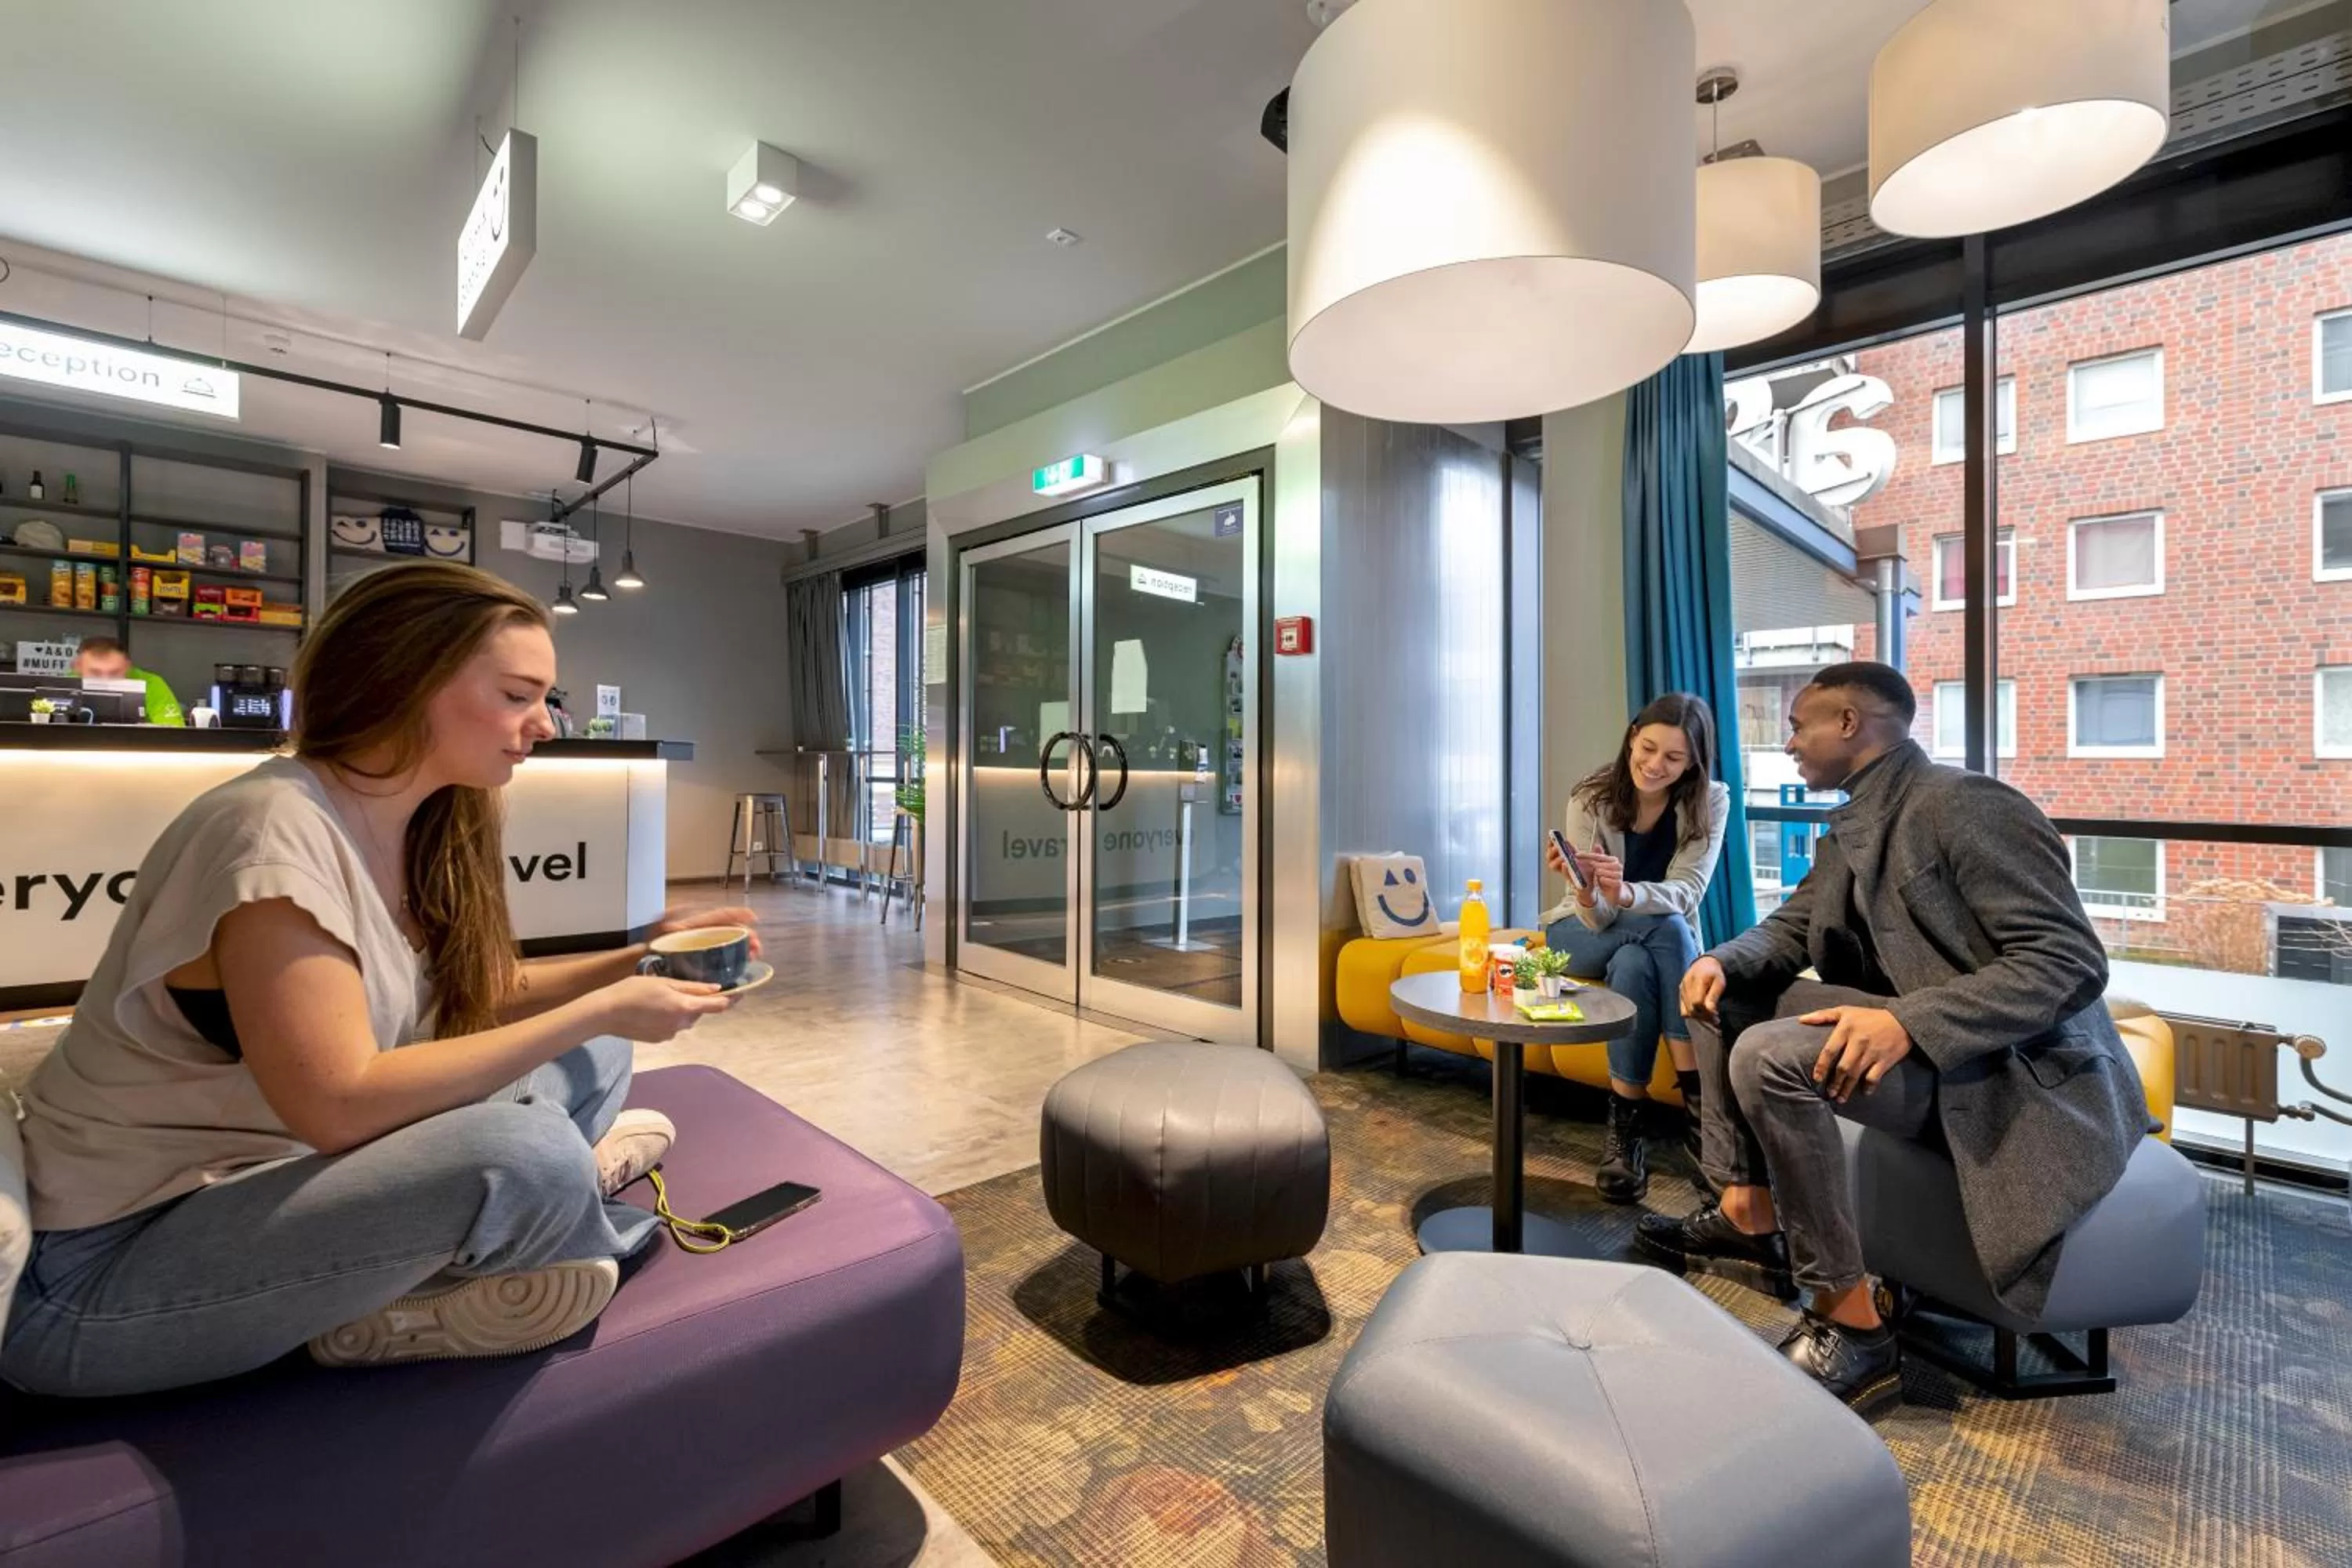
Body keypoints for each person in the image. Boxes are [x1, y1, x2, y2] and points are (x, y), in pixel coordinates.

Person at [5, 562, 756, 1397]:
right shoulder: (270, 834)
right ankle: (518, 1224)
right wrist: (598, 1006)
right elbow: (339, 1103)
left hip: (265, 1177)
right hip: (102, 1274)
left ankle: (521, 1213)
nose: (544, 724)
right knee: (525, 1149)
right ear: (407, 682)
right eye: (517, 695)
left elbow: (474, 989)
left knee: (603, 1048)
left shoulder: (404, 818)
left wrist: (635, 962)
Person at [1635, 662, 2153, 1418]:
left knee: (1769, 1054)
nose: (1789, 745)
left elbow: (2068, 962)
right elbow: (1787, 932)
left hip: (2009, 1068)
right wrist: (1716, 960)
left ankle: (1853, 1328)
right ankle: (1748, 1212)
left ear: (1849, 724)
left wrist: (1909, 1022)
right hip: (1929, 1048)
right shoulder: (1851, 827)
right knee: (1725, 997)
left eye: (1797, 726)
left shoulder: (1965, 804)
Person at [1541, 692, 1729, 1204]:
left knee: (1635, 960)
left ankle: (1625, 1134)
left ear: (1693, 761)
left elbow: (1689, 890)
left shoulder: (1710, 800)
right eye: (1647, 748)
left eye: (1673, 757)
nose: (1654, 765)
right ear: (1631, 738)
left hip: (1642, 945)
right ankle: (1700, 1105)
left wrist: (1626, 893)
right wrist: (1588, 891)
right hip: (1577, 936)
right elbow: (1595, 915)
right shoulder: (1591, 798)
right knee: (1665, 931)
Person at [71, 635, 184, 726]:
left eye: (114, 673)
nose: (105, 680)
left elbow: (174, 733)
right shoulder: (65, 684)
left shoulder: (152, 684)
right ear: (78, 667)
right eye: (95, 673)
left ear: (127, 666)